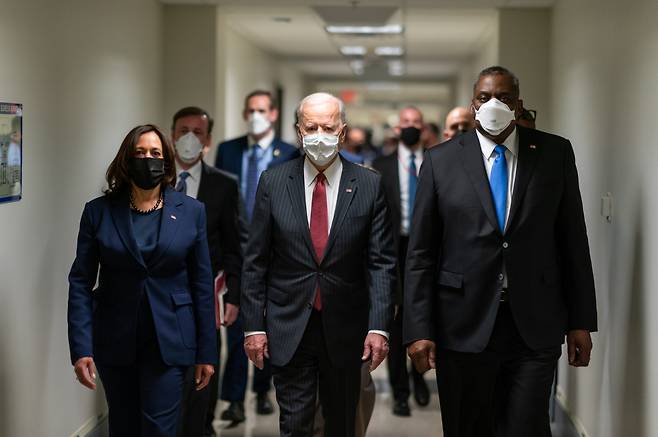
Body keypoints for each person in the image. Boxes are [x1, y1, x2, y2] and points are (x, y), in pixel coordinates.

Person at [404, 66, 598, 437]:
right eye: (484, 97)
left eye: (504, 97)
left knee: (526, 426)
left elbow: (573, 239)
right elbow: (421, 253)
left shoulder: (554, 153)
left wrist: (580, 320)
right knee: (467, 426)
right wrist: (417, 328)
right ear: (472, 104)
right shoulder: (440, 160)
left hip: (533, 321)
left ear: (518, 104)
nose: (493, 104)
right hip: (462, 322)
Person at [241, 92, 396, 437]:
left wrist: (379, 326)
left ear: (342, 132)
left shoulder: (369, 184)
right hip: (289, 323)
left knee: (340, 422)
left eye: (328, 127)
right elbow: (256, 260)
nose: (320, 135)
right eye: (311, 127)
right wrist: (253, 326)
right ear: (299, 131)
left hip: (346, 327)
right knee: (294, 424)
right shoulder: (274, 182)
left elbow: (381, 262)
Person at [68, 124, 217, 436]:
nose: (147, 159)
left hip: (171, 341)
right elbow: (81, 282)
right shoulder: (99, 212)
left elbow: (202, 286)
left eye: (155, 153)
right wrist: (81, 348)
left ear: (166, 162)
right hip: (115, 340)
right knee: (123, 426)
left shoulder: (191, 212)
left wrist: (207, 352)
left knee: (158, 430)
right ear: (126, 160)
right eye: (139, 153)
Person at [214, 90, 299, 422]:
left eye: (261, 110)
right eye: (250, 110)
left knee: (269, 325)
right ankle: (233, 400)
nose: (255, 115)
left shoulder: (290, 153)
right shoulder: (228, 150)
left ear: (274, 114)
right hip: (237, 250)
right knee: (237, 326)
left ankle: (263, 389)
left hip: (276, 252)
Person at [171, 107, 242, 437]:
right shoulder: (154, 180)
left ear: (208, 140)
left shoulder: (224, 186)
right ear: (171, 135)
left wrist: (235, 295)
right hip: (163, 292)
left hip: (205, 293)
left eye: (197, 132)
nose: (189, 138)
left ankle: (203, 427)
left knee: (205, 363)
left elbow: (234, 244)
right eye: (183, 130)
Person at [372, 106, 430, 417]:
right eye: (405, 122)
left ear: (423, 127)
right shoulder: (380, 166)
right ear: (397, 129)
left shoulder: (437, 160)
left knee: (420, 318)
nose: (410, 127)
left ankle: (419, 376)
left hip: (425, 252)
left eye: (415, 122)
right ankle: (400, 392)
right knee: (393, 322)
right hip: (392, 251)